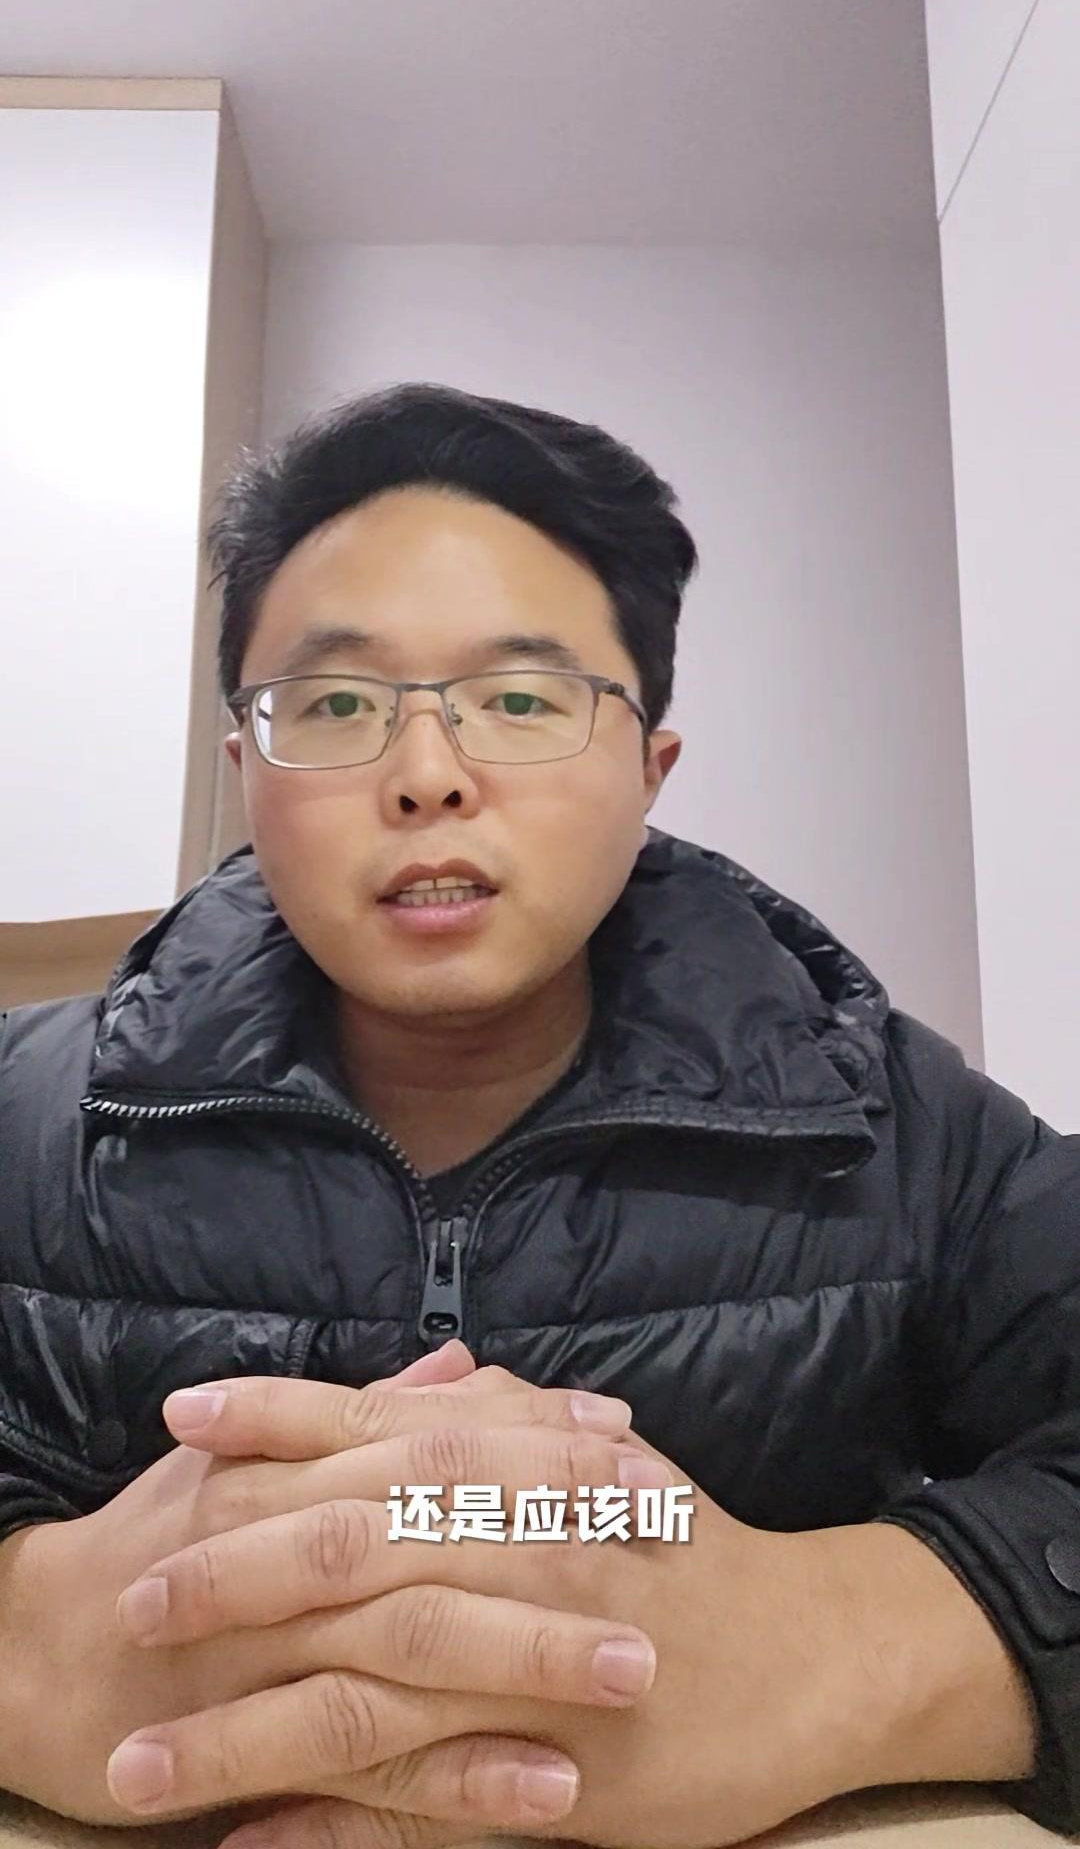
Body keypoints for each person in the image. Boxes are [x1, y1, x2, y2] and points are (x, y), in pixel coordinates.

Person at [1, 382, 1078, 1849]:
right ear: (244, 768)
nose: (427, 777)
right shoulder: (29, 1120)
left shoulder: (890, 1125)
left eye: (520, 700)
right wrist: (22, 1645)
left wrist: (855, 1647)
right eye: (336, 705)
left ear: (648, 768)